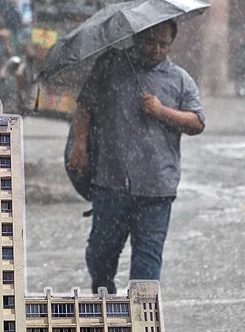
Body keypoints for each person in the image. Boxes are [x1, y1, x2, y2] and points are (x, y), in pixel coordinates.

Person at [67, 20, 205, 294]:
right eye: (149, 42)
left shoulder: (179, 79)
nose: (155, 49)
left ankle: (141, 321)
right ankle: (104, 303)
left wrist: (161, 111)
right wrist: (79, 145)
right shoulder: (110, 67)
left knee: (147, 263)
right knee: (100, 254)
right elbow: (85, 106)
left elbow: (197, 122)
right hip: (111, 182)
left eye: (163, 44)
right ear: (136, 38)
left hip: (156, 188)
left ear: (170, 45)